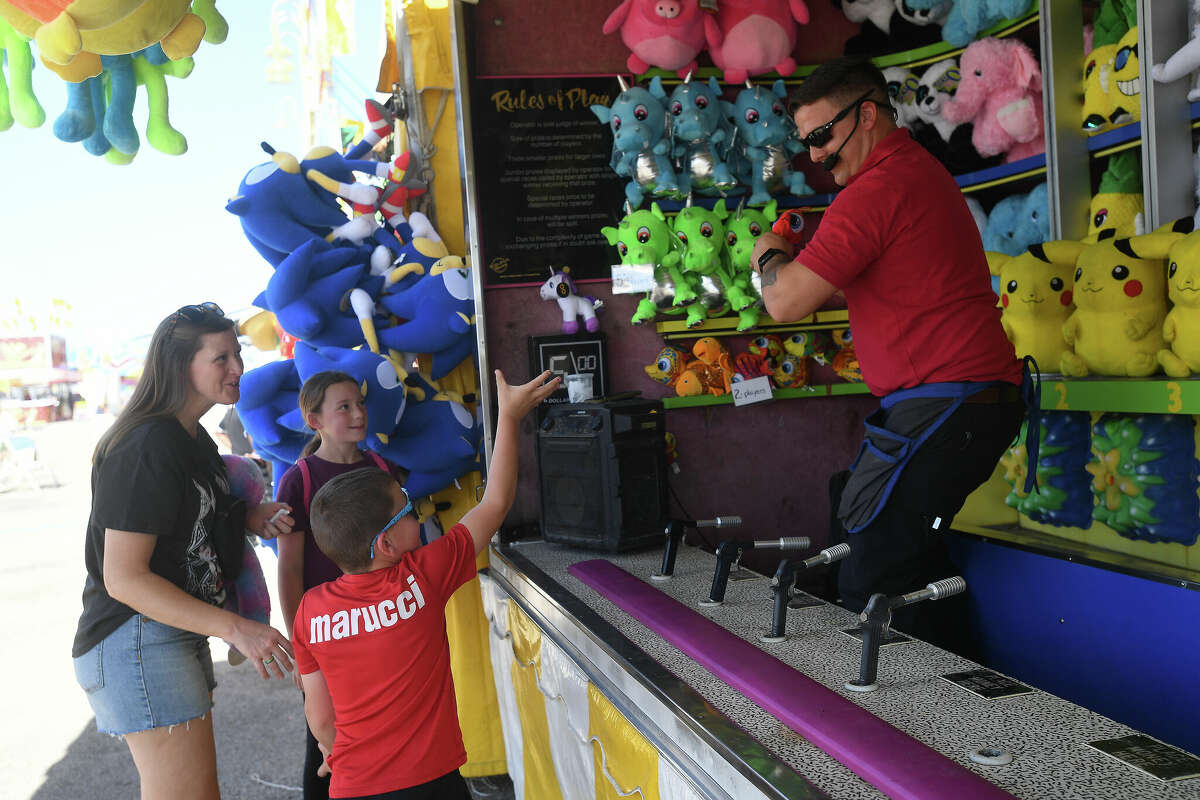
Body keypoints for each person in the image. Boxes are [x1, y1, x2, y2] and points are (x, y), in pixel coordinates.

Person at [749, 57, 1026, 654]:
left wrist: (767, 256)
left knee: (873, 574)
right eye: (807, 145)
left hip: (950, 402)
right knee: (887, 550)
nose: (817, 156)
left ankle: (913, 726)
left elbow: (785, 303)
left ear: (866, 115)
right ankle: (965, 705)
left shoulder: (877, 190)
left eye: (822, 136)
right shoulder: (911, 175)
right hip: (959, 403)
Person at [293, 369, 560, 800]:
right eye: (409, 513)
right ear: (385, 543)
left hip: (352, 785)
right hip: (431, 783)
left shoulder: (310, 612)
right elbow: (496, 502)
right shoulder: (421, 578)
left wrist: (331, 749)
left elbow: (321, 718)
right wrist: (508, 416)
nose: (418, 516)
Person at [71, 302, 298, 800]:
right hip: (134, 638)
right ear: (180, 366)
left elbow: (188, 526)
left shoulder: (191, 440)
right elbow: (124, 577)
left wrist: (251, 517)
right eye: (222, 358)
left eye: (237, 354)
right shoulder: (146, 446)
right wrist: (239, 628)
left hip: (171, 630)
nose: (238, 368)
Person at [274, 370, 409, 800]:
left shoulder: (384, 469)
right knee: (327, 744)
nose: (358, 413)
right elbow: (289, 568)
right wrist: (301, 650)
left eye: (361, 404)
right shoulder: (300, 480)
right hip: (330, 637)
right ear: (314, 420)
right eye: (344, 407)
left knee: (392, 732)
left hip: (382, 629)